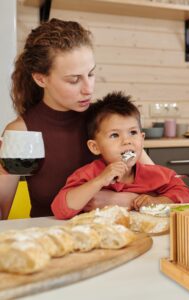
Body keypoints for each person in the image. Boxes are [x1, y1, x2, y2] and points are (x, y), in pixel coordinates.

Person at [0, 18, 153, 219]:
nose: (88, 89)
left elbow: (162, 188)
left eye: (90, 74)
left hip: (114, 237)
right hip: (52, 242)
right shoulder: (23, 133)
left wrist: (118, 200)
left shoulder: (106, 121)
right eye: (74, 80)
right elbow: (2, 214)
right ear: (41, 79)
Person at [51, 91, 189, 219]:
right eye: (114, 135)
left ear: (142, 139)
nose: (127, 141)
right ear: (95, 147)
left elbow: (186, 194)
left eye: (133, 133)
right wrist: (99, 181)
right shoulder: (89, 174)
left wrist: (158, 201)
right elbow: (60, 209)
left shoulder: (155, 174)